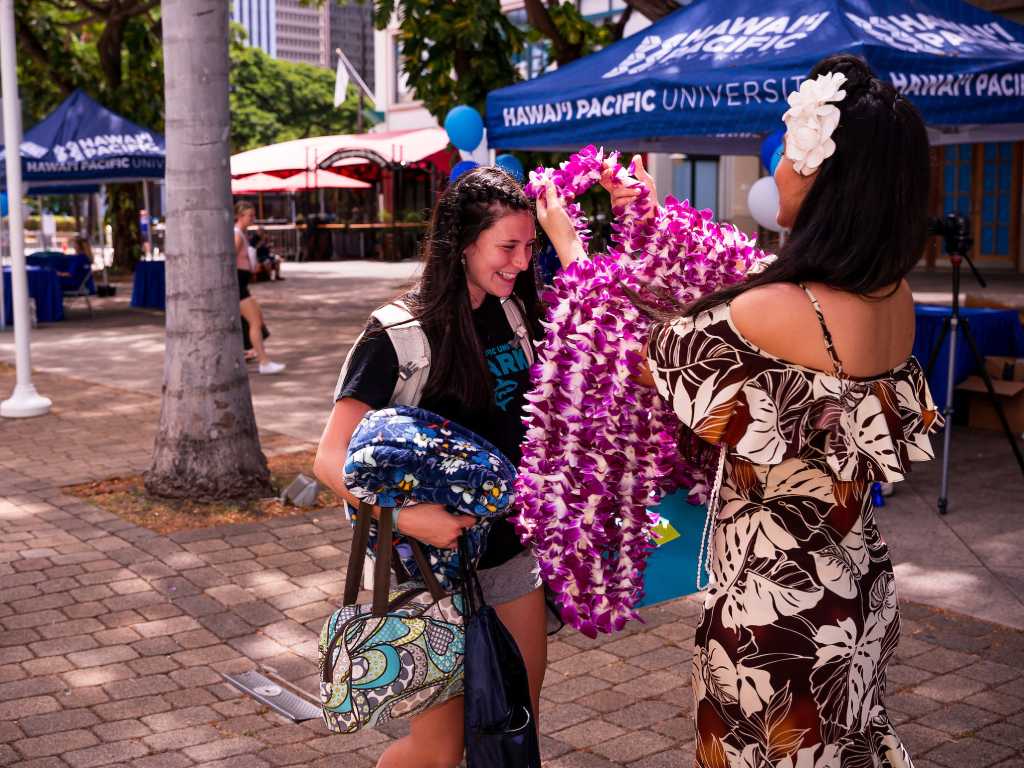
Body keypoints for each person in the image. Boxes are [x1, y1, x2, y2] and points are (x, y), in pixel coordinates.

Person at [545, 55, 944, 767]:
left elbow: (642, 352)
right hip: (853, 584)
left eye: (785, 151)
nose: (777, 173)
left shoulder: (777, 309)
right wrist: (644, 212)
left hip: (777, 607)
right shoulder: (892, 294)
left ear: (822, 171)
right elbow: (738, 283)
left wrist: (576, 253)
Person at [314, 166, 581, 768]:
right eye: (506, 247)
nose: (520, 261)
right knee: (440, 751)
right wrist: (408, 518)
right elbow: (330, 459)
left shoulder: (520, 312)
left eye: (529, 246)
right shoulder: (398, 334)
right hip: (432, 575)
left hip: (512, 556)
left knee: (513, 725)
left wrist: (565, 244)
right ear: (463, 244)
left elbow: (602, 328)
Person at [234, 202, 285, 374]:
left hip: (243, 284)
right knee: (255, 322)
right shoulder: (238, 235)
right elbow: (230, 261)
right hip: (239, 286)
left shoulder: (242, 234)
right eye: (250, 215)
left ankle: (250, 351)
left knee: (257, 318)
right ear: (240, 216)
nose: (252, 219)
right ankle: (263, 362)